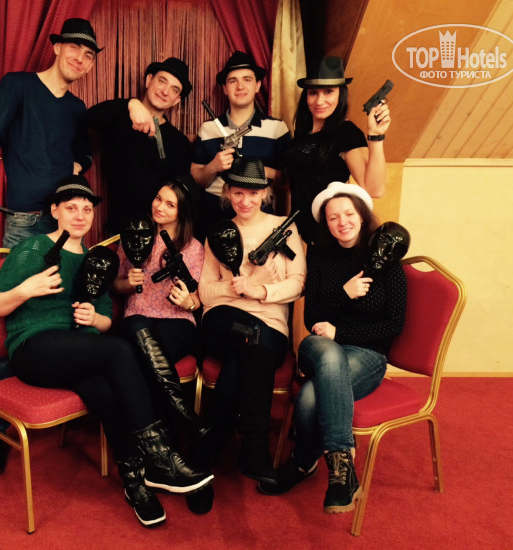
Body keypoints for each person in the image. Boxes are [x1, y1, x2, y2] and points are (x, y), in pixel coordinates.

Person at [0, 179, 213, 527]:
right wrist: (26, 290)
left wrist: (95, 318)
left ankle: (136, 482)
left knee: (107, 392)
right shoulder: (33, 248)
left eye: (87, 209)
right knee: (121, 350)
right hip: (34, 349)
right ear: (55, 211)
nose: (80, 216)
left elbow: (106, 320)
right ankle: (161, 456)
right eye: (71, 208)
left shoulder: (96, 259)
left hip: (75, 353)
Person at [0, 18, 101, 474]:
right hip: (26, 224)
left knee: (66, 311)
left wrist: (70, 174)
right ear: (57, 47)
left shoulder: (77, 109)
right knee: (13, 318)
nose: (80, 58)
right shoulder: (19, 86)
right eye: (75, 48)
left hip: (67, 224)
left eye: (89, 55)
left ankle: (60, 404)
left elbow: (83, 154)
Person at [258, 182, 406, 515]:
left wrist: (341, 331)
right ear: (325, 223)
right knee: (327, 351)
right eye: (333, 217)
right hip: (319, 347)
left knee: (310, 397)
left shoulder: (388, 260)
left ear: (362, 215)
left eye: (348, 214)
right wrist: (344, 293)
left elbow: (394, 326)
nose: (342, 222)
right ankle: (342, 466)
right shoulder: (321, 257)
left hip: (367, 356)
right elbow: (312, 318)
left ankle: (305, 462)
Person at [192, 157, 306, 511]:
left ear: (265, 194)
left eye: (253, 193)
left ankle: (202, 455)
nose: (245, 201)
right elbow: (204, 294)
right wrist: (238, 288)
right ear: (227, 192)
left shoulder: (284, 228)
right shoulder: (218, 233)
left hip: (269, 325)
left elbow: (298, 283)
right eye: (238, 193)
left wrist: (261, 292)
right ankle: (254, 453)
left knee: (249, 350)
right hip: (222, 320)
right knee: (251, 342)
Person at [113, 179, 206, 440]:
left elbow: (198, 299)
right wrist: (128, 283)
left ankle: (151, 437)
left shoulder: (194, 248)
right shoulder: (134, 234)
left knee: (144, 362)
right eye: (158, 198)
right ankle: (180, 419)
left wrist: (188, 302)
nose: (159, 207)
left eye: (170, 204)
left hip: (177, 320)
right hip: (137, 316)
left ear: (182, 212)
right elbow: (116, 284)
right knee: (137, 331)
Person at [285, 56, 391, 244]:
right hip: (305, 238)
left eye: (328, 92)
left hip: (333, 237)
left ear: (341, 94)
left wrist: (376, 137)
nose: (320, 101)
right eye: (313, 93)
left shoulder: (345, 132)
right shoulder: (301, 135)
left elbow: (375, 189)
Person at [83, 57, 194, 235]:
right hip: (121, 230)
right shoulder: (120, 118)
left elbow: (181, 194)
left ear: (176, 100)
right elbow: (88, 118)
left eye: (174, 90)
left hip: (161, 232)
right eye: (162, 81)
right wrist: (131, 104)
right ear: (149, 80)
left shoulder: (180, 142)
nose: (165, 91)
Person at [191, 51, 291, 239]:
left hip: (259, 213)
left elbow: (289, 181)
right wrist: (213, 167)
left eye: (247, 79)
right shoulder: (208, 128)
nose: (240, 86)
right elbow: (196, 178)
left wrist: (261, 171)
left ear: (257, 85)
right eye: (232, 81)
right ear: (224, 88)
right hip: (213, 214)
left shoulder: (277, 128)